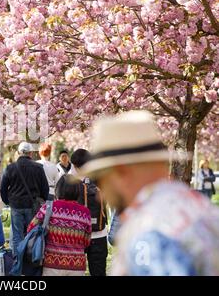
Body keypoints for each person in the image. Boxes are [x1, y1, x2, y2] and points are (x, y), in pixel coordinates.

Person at [81, 110, 219, 275]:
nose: (99, 194)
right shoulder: (196, 204)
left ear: (120, 172)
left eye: (101, 180)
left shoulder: (150, 228)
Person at [28, 174, 91, 276]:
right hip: (76, 265)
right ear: (77, 191)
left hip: (52, 264)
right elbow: (87, 241)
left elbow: (30, 229)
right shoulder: (85, 212)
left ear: (58, 189)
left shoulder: (48, 207)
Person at [0, 142, 49, 256]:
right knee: (32, 233)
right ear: (31, 153)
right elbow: (45, 189)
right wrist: (41, 200)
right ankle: (30, 259)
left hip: (16, 205)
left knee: (17, 235)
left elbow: (3, 189)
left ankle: (18, 261)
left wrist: (8, 201)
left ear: (18, 153)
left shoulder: (10, 168)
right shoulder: (38, 168)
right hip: (32, 205)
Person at [71, 148, 108, 276]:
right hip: (99, 233)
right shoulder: (101, 179)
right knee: (98, 272)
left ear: (75, 166)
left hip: (78, 235)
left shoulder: (71, 182)